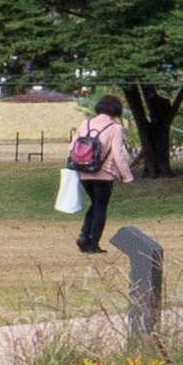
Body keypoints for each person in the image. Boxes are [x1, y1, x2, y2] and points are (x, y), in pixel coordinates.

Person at [63, 95, 133, 255]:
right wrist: (126, 175)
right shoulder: (115, 128)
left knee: (95, 204)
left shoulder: (85, 124)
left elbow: (72, 147)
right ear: (115, 110)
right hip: (104, 173)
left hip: (84, 171)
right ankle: (93, 244)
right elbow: (118, 154)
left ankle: (84, 237)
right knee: (100, 206)